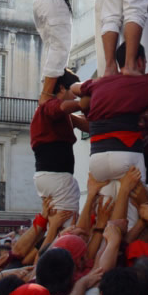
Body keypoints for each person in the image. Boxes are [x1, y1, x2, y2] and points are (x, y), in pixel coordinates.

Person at [70, 42, 148, 213]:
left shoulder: (103, 85)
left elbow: (74, 88)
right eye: (144, 62)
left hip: (100, 158)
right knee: (138, 216)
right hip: (129, 157)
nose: (145, 67)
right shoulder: (144, 84)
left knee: (109, 216)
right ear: (139, 61)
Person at [31, 68, 88, 213]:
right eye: (74, 93)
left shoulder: (55, 113)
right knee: (67, 220)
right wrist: (82, 104)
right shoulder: (50, 105)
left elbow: (87, 125)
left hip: (49, 175)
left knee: (59, 220)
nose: (75, 98)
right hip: (57, 175)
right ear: (62, 88)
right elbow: (63, 106)